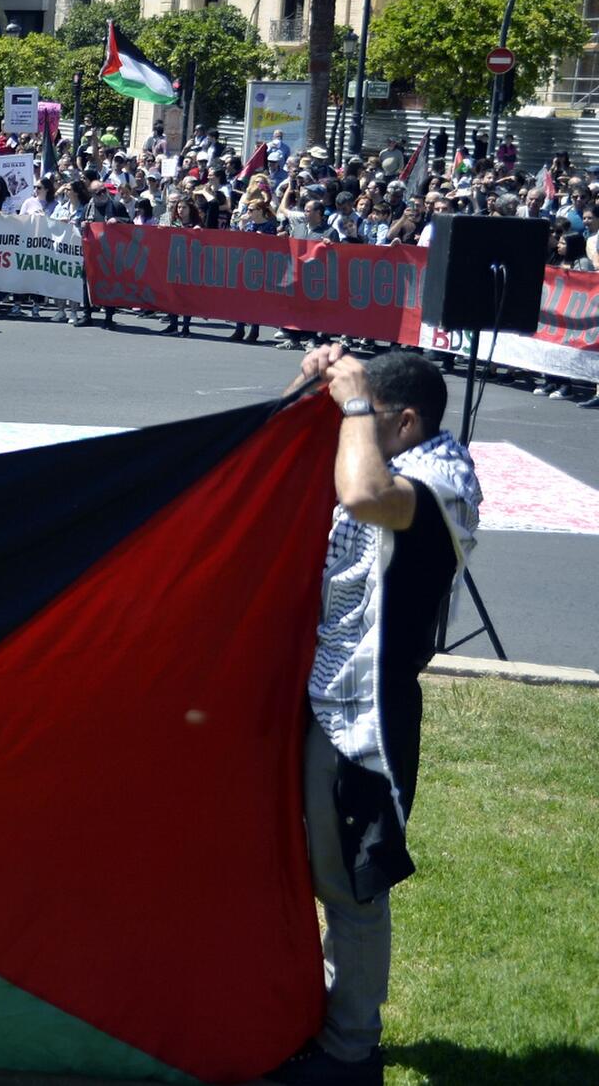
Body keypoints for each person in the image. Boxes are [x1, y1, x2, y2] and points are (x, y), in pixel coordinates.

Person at [266, 348, 481, 1086]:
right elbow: (283, 451)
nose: (348, 428)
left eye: (366, 417)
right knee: (315, 872)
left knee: (352, 889)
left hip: (368, 719)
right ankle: (319, 1024)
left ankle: (351, 1052)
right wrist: (311, 382)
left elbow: (361, 496)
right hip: (328, 694)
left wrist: (356, 405)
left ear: (407, 422)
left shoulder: (443, 480)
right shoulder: (393, 449)